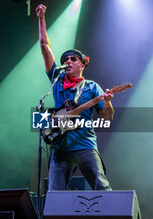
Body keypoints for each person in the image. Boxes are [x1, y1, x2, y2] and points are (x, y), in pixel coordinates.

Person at [36, 4, 113, 191]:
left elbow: (108, 118)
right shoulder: (57, 79)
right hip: (59, 147)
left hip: (84, 144)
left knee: (102, 187)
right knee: (55, 195)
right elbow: (44, 45)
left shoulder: (92, 86)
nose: (67, 61)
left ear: (82, 65)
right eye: (65, 60)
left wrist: (108, 100)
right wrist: (41, 18)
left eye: (72, 59)